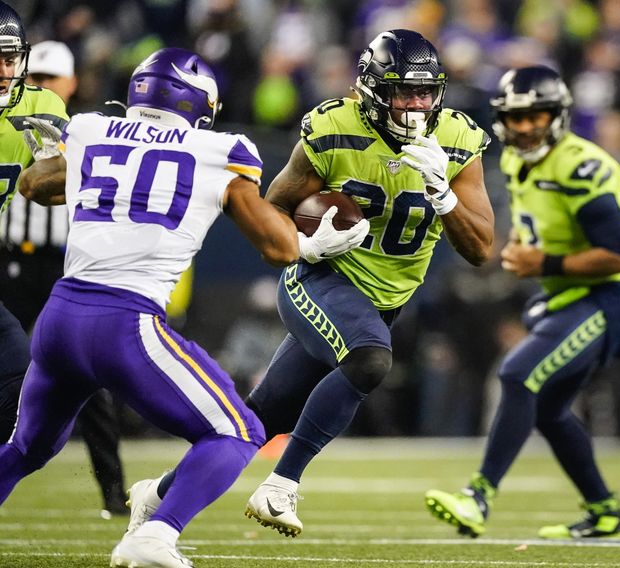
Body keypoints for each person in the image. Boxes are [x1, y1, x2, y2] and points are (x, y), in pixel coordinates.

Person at [0, 46, 366, 568]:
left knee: (25, 449)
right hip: (124, 322)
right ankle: (155, 534)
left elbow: (35, 186)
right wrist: (311, 246)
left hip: (60, 318)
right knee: (238, 433)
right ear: (200, 103)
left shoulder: (87, 129)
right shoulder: (220, 149)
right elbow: (278, 247)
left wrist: (52, 159)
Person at [124, 28, 494, 539]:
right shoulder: (333, 128)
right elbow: (268, 210)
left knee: (255, 424)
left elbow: (480, 248)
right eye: (403, 92)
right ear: (371, 90)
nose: (416, 105)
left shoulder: (456, 139)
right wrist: (306, 246)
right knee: (370, 358)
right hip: (320, 278)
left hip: (386, 300)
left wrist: (445, 196)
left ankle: (158, 495)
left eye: (425, 93)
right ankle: (282, 484)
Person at [424, 65, 620, 540]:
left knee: (517, 373)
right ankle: (605, 510)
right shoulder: (514, 162)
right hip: (565, 297)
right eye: (515, 118)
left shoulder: (582, 166)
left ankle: (478, 496)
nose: (524, 128)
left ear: (557, 114)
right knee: (549, 410)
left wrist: (544, 263)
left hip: (605, 299)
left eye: (535, 116)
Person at [0, 37, 128, 517]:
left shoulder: (86, 130)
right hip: (12, 262)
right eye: (38, 77)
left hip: (67, 267)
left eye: (52, 78)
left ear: (71, 82)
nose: (42, 85)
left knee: (87, 376)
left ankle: (113, 491)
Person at [0, 3, 67, 446]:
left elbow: (55, 188)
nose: (2, 71)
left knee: (17, 374)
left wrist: (58, 164)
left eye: (8, 58)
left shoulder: (40, 105)